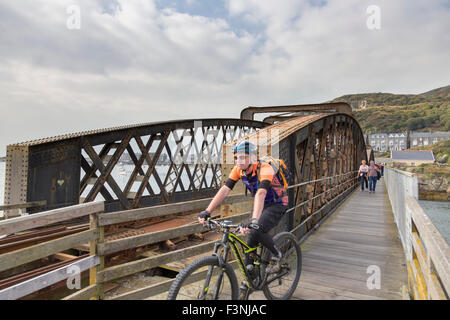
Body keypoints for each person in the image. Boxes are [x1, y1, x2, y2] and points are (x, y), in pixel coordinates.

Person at [197, 141, 287, 291]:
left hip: (277, 204)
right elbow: (225, 190)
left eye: (242, 158)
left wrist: (254, 220)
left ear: (252, 158)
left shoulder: (265, 168)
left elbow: (261, 193)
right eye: (236, 158)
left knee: (256, 229)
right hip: (261, 205)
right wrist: (208, 211)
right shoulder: (239, 170)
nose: (238, 161)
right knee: (249, 239)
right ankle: (251, 278)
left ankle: (278, 255)